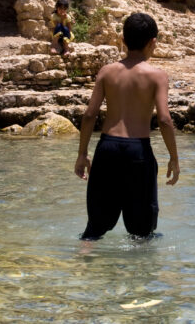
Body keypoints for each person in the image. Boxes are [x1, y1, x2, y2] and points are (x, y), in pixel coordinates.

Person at [74, 12, 180, 240]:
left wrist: (82, 154)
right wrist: (174, 157)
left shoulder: (106, 71)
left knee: (94, 229)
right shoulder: (157, 76)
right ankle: (137, 274)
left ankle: (81, 268)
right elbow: (164, 120)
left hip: (107, 148)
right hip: (138, 151)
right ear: (153, 43)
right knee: (142, 232)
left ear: (122, 40)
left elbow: (90, 114)